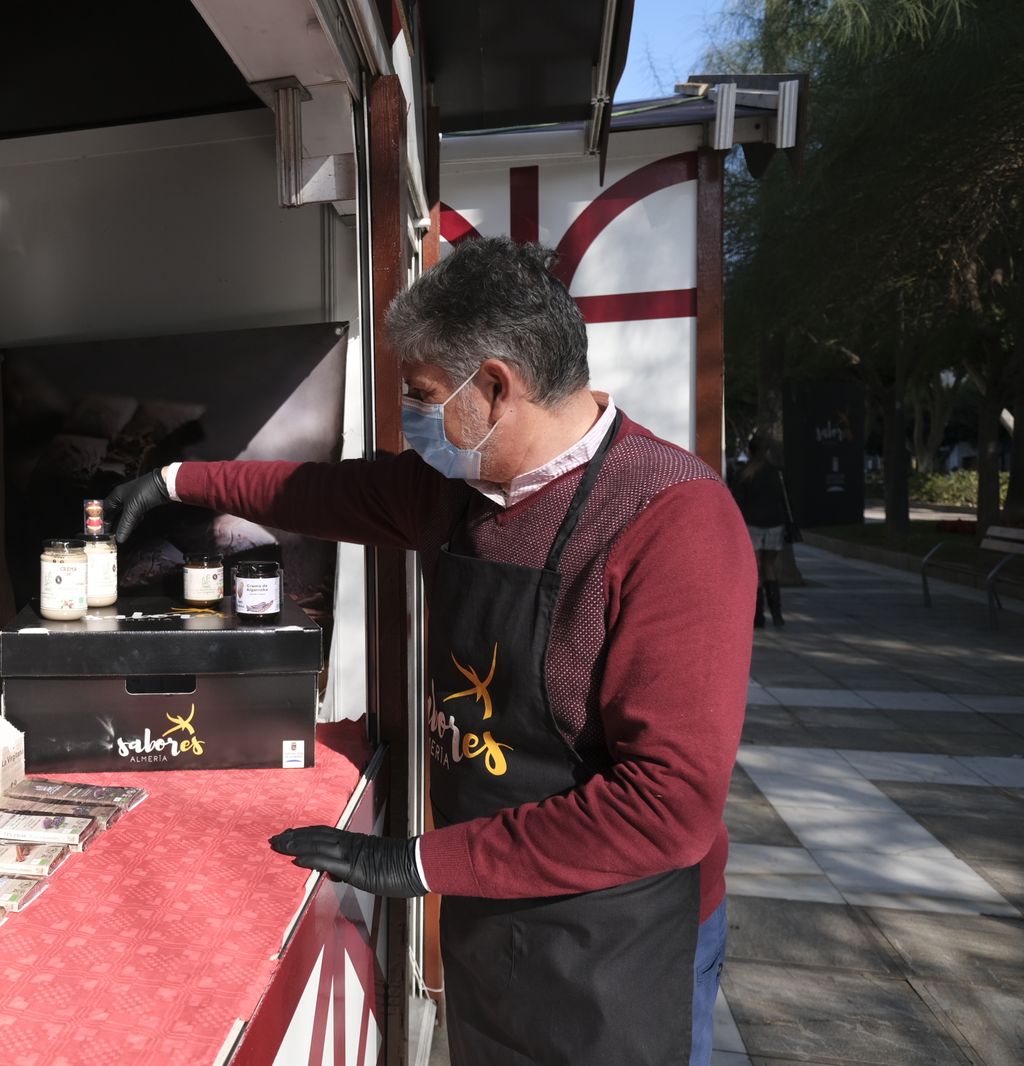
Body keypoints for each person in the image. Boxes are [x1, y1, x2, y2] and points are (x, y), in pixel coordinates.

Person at [105, 237, 754, 1066]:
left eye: (420, 396)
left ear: (494, 386)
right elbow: (318, 492)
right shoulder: (457, 490)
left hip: (621, 932)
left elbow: (665, 807)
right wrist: (173, 482)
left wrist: (417, 861)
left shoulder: (673, 522)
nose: (411, 424)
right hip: (492, 896)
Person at [730, 434, 790, 628]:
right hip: (775, 524)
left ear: (750, 450)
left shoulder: (744, 473)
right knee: (770, 567)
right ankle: (777, 614)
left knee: (756, 570)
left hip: (752, 524)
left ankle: (758, 617)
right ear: (766, 451)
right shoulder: (776, 473)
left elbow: (737, 502)